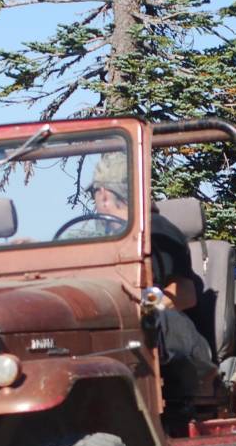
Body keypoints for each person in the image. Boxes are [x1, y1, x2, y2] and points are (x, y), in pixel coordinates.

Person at [91, 152, 215, 398]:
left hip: (182, 349)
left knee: (152, 319)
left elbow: (186, 295)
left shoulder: (158, 231)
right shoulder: (104, 238)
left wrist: (141, 303)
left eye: (94, 193)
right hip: (141, 343)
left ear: (104, 194)